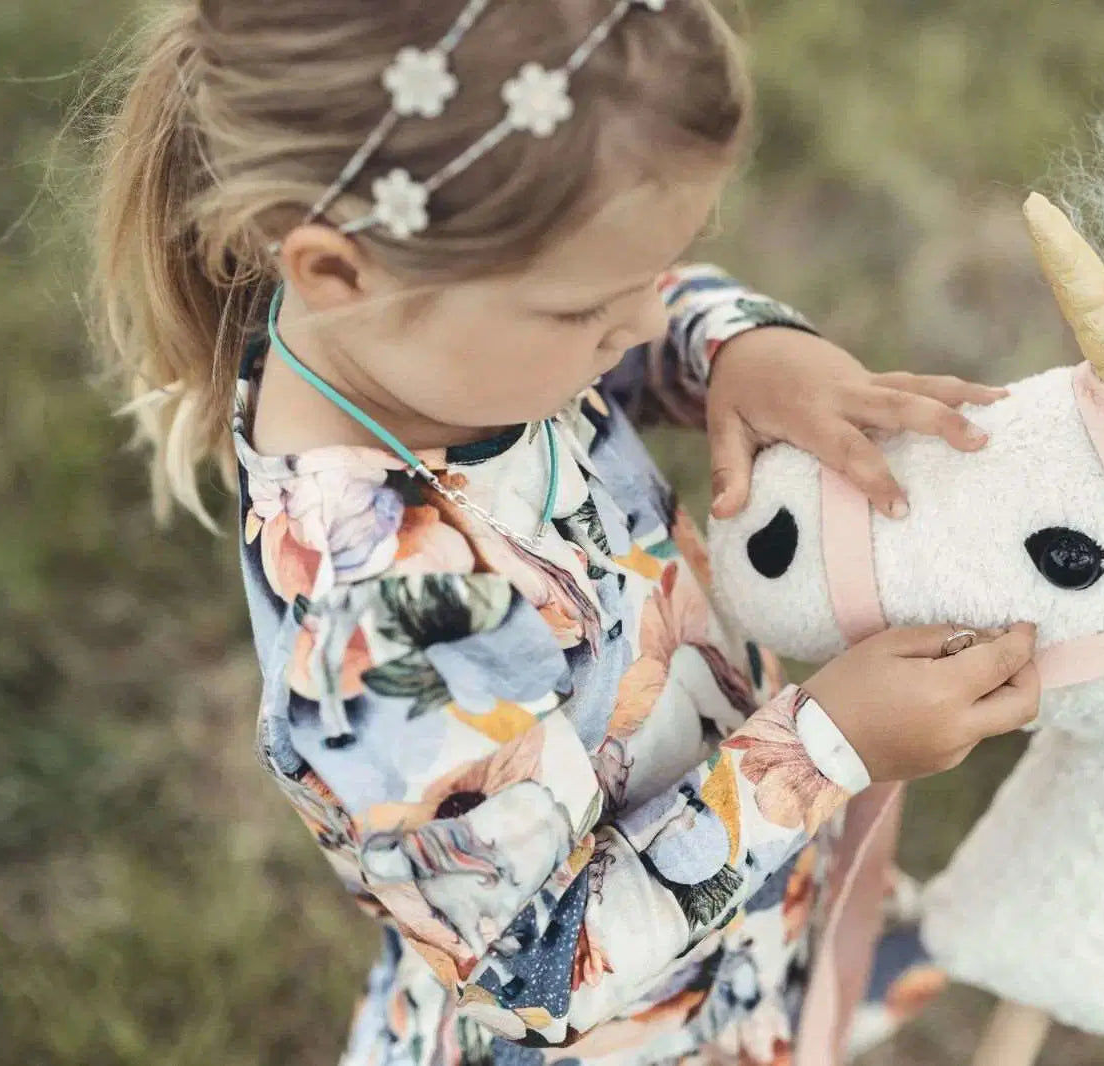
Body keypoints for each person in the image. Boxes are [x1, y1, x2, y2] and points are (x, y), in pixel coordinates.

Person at [90, 1, 1041, 1062]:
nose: (638, 320)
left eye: (654, 275)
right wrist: (826, 747)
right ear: (339, 272)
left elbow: (613, 301)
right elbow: (535, 970)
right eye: (590, 310)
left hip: (730, 930)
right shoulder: (378, 627)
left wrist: (732, 347)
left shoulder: (430, 350)